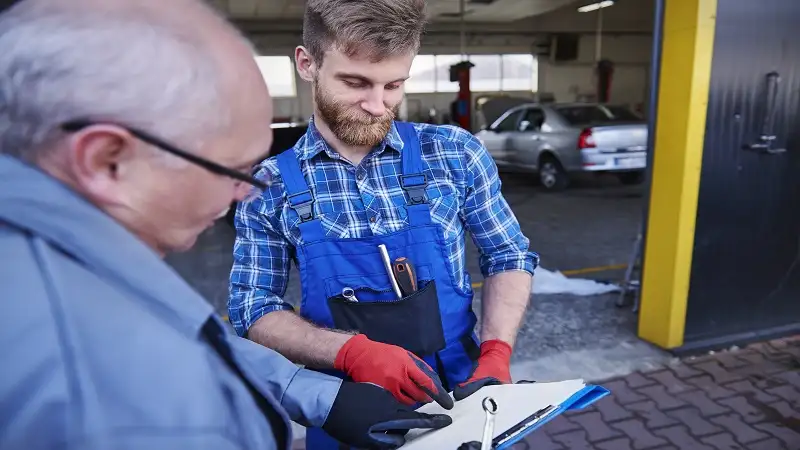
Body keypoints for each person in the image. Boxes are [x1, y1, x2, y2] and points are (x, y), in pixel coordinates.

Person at [0, 1, 452, 449]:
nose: (245, 193)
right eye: (233, 171)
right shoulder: (122, 410)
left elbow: (200, 344)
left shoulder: (66, 256)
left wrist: (322, 396)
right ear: (107, 160)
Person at [229, 0, 540, 448]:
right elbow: (252, 305)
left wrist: (495, 353)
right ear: (307, 63)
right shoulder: (270, 185)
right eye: (355, 82)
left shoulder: (455, 154)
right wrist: (350, 352)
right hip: (350, 409)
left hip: (462, 392)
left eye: (394, 85)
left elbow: (508, 253)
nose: (378, 106)